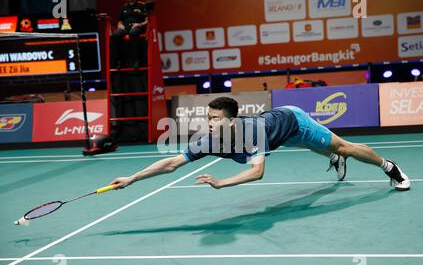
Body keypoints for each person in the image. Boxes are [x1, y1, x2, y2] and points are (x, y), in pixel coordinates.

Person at [110, 97, 410, 191]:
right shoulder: (209, 141)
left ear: (231, 120)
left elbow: (258, 172)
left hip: (294, 122)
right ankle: (335, 158)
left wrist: (222, 183)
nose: (209, 123)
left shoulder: (249, 131)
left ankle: (390, 167)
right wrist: (132, 178)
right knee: (314, 148)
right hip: (279, 134)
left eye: (215, 118)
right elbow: (172, 163)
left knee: (341, 147)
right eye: (207, 117)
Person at [110, 0, 148, 68]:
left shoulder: (142, 5)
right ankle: (118, 61)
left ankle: (137, 60)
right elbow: (119, 21)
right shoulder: (124, 7)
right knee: (115, 35)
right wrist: (120, 25)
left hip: (137, 27)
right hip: (125, 28)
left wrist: (139, 24)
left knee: (133, 33)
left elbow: (147, 21)